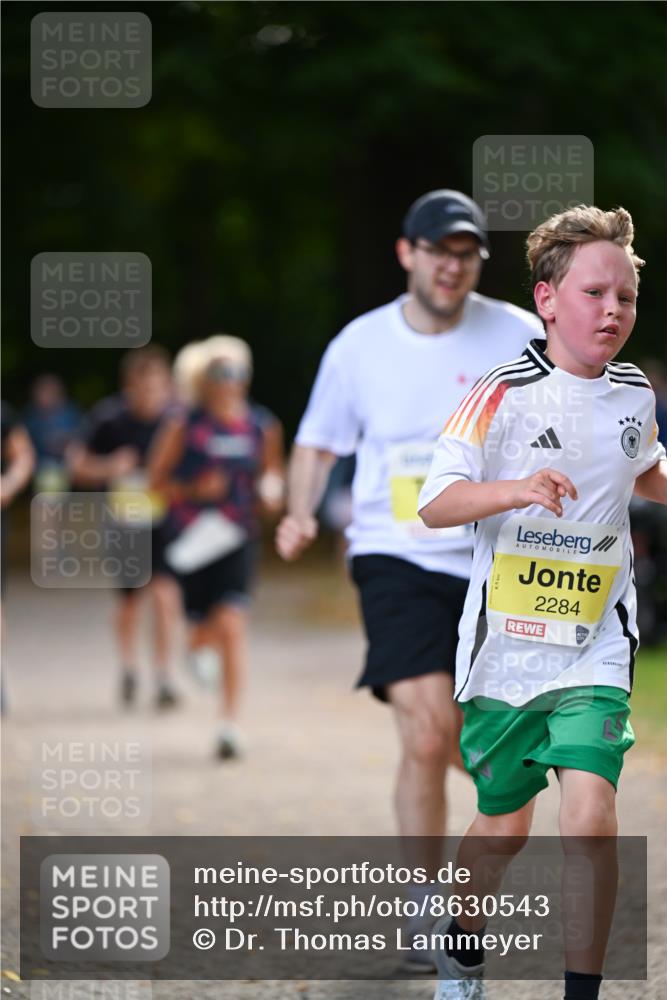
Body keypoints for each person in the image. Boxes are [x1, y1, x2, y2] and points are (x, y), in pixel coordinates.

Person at [275, 189, 544, 970]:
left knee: (489, 748)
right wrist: (297, 513)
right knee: (426, 733)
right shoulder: (358, 345)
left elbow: (567, 413)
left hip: (495, 561)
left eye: (465, 254)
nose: (451, 266)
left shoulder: (517, 332)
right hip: (394, 556)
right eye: (438, 252)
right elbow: (316, 443)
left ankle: (474, 876)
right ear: (407, 254)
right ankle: (424, 917)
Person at [418, 205, 667, 1000]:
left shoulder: (633, 394)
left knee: (588, 813)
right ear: (548, 299)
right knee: (502, 827)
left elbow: (644, 469)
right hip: (507, 648)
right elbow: (436, 501)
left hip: (597, 640)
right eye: (595, 293)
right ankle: (459, 948)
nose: (613, 311)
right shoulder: (500, 393)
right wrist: (514, 488)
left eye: (624, 297)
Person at [149, 335, 285, 759]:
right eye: (219, 372)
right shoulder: (183, 424)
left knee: (232, 623)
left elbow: (272, 473)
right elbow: (154, 483)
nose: (229, 381)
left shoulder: (263, 426)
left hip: (237, 537)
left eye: (237, 372)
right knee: (202, 626)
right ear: (203, 379)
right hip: (191, 540)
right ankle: (195, 648)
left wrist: (272, 492)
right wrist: (193, 488)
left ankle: (229, 724)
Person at [67, 346, 181, 709]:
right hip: (123, 521)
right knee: (131, 601)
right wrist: (110, 467)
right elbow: (77, 465)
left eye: (159, 387)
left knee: (165, 596)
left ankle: (164, 674)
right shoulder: (108, 419)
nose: (152, 395)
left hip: (163, 520)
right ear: (130, 386)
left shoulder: (176, 422)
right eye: (144, 386)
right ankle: (130, 667)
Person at [23, 374, 81, 493]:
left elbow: (80, 442)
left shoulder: (71, 414)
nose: (45, 396)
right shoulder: (30, 416)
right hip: (39, 466)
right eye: (42, 392)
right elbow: (24, 446)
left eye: (49, 392)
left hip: (66, 464)